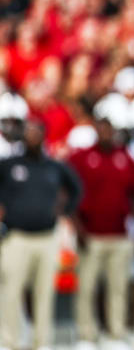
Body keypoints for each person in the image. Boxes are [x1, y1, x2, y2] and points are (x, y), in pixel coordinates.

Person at [0, 118, 82, 350]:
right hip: (16, 238)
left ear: (44, 136)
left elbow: (76, 189)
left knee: (44, 293)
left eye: (37, 133)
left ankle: (41, 342)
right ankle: (9, 342)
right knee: (11, 292)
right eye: (29, 133)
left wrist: (63, 211)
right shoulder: (9, 164)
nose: (32, 137)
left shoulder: (53, 167)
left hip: (47, 237)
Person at [68, 117, 134, 349]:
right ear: (96, 131)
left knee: (118, 288)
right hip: (90, 235)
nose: (105, 134)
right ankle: (86, 335)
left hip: (120, 234)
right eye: (101, 130)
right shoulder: (83, 158)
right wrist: (78, 226)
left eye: (108, 130)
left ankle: (116, 334)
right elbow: (68, 191)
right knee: (86, 288)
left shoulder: (124, 157)